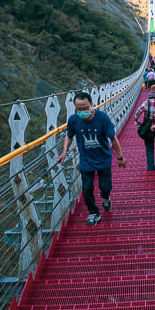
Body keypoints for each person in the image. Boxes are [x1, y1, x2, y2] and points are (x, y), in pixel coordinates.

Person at [58, 91, 125, 225]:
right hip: (86, 160)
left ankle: (105, 197)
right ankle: (93, 213)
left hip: (103, 158)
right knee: (87, 188)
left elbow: (113, 138)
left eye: (85, 108)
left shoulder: (102, 118)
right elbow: (69, 136)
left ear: (92, 105)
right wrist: (64, 152)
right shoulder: (73, 120)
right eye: (79, 109)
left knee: (105, 187)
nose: (82, 111)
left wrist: (120, 157)